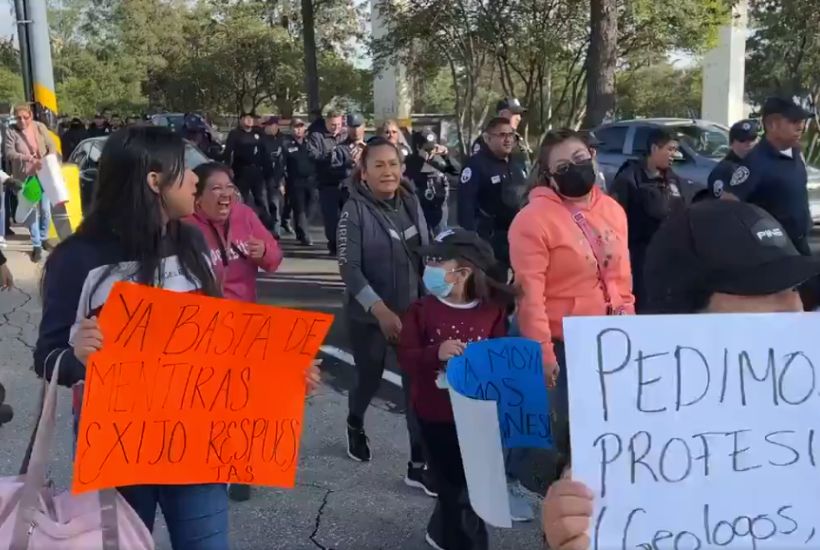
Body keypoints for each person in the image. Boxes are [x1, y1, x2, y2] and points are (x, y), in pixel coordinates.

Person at [541, 199, 820, 550]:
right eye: (764, 290)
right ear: (683, 316)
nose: (794, 306)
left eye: (794, 288)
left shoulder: (804, 403)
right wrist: (569, 535)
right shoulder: (616, 443)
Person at [33, 126, 229, 548]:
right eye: (186, 169)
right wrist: (78, 358)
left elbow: (221, 338)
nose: (197, 179)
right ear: (154, 181)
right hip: (118, 448)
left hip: (197, 441)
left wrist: (280, 371)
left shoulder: (193, 241)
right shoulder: (79, 258)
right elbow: (47, 357)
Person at [509, 128, 634, 515]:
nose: (576, 169)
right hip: (556, 339)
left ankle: (586, 503)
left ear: (593, 156)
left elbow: (622, 279)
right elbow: (530, 296)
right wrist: (543, 354)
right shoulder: (532, 220)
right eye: (563, 166)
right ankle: (519, 485)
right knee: (544, 427)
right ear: (549, 176)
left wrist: (630, 331)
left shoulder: (612, 210)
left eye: (580, 159)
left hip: (603, 337)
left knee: (594, 428)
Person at [399, 228, 515, 550]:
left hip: (477, 418)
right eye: (429, 260)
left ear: (463, 271)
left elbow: (501, 356)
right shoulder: (421, 311)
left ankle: (442, 532)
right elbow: (406, 358)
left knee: (470, 487)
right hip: (434, 416)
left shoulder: (491, 311)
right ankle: (464, 542)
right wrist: (434, 353)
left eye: (438, 260)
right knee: (453, 489)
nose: (429, 267)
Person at [184, 161, 284, 502]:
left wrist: (263, 252)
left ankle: (236, 464)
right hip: (201, 329)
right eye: (216, 188)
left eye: (230, 188)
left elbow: (274, 258)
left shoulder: (244, 215)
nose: (226, 195)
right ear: (197, 197)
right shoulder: (183, 225)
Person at [336, 138, 431, 486]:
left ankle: (418, 465)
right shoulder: (354, 210)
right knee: (369, 379)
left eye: (393, 163)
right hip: (370, 318)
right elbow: (349, 268)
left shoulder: (410, 200)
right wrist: (379, 310)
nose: (388, 171)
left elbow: (426, 250)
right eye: (379, 165)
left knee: (417, 389)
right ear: (364, 173)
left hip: (413, 314)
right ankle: (355, 421)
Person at [716, 96, 814, 256]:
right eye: (794, 121)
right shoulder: (755, 161)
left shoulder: (795, 152)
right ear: (772, 124)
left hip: (800, 243)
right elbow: (728, 203)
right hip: (774, 251)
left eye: (802, 121)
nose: (801, 127)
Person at [610, 127, 686, 310]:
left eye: (675, 150)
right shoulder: (629, 179)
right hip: (640, 258)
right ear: (653, 149)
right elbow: (613, 221)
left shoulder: (672, 178)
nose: (674, 155)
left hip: (669, 257)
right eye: (669, 149)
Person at [457, 117, 528, 270]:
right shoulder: (476, 165)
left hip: (519, 237)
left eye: (511, 135)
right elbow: (465, 206)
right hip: (490, 241)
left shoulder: (517, 162)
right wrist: (472, 245)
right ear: (488, 138)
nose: (508, 140)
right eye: (502, 135)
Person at [4, 102, 58, 262]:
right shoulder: (11, 131)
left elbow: (51, 145)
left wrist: (50, 159)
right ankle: (36, 245)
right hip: (25, 177)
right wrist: (27, 158)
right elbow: (9, 152)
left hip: (43, 174)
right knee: (31, 211)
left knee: (46, 209)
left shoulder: (39, 127)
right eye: (18, 118)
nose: (22, 121)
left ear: (31, 116)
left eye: (25, 117)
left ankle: (42, 237)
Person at [307, 110, 355, 255]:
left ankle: (349, 245)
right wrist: (332, 156)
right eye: (333, 125)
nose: (336, 128)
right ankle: (334, 244)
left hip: (346, 182)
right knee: (331, 218)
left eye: (339, 124)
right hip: (327, 183)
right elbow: (312, 155)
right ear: (327, 122)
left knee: (349, 217)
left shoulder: (346, 135)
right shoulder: (316, 136)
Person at [224, 112, 272, 230]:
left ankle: (265, 226)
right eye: (246, 118)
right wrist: (228, 168)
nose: (249, 121)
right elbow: (228, 152)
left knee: (261, 198)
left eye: (251, 118)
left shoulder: (258, 133)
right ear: (241, 120)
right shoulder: (235, 134)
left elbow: (265, 152)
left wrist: (268, 171)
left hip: (256, 170)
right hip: (241, 170)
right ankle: (241, 225)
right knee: (242, 199)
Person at [405, 128, 450, 233]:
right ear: (417, 147)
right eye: (427, 150)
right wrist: (421, 159)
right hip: (419, 213)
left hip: (439, 213)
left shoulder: (440, 161)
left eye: (433, 149)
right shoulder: (410, 163)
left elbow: (457, 175)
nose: (431, 153)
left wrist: (446, 156)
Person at [472, 98, 532, 170]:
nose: (519, 118)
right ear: (502, 114)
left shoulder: (518, 140)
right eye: (515, 113)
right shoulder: (485, 140)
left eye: (519, 114)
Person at [283, 118, 317, 246]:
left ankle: (300, 228)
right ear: (291, 129)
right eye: (295, 127)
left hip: (311, 180)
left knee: (311, 206)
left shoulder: (309, 143)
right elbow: (282, 164)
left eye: (300, 127)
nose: (298, 129)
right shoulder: (286, 144)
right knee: (300, 208)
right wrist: (282, 181)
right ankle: (305, 236)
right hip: (295, 181)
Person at [706, 119, 759, 198]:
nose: (749, 143)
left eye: (752, 138)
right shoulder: (722, 172)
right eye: (742, 140)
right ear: (731, 144)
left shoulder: (764, 162)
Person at [261, 117, 287, 237]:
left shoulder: (283, 140)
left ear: (276, 126)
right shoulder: (263, 139)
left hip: (279, 175)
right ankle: (272, 226)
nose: (267, 128)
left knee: (276, 202)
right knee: (269, 202)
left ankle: (278, 225)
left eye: (269, 125)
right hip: (265, 174)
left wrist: (282, 179)